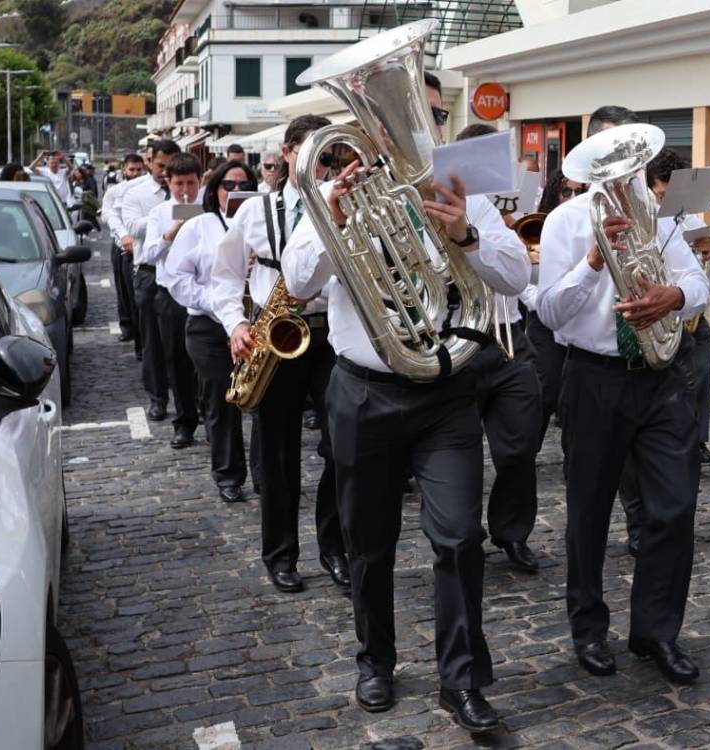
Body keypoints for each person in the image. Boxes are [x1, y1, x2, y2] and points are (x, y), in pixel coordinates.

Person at [282, 104, 529, 732]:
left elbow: (516, 275)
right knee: (369, 543)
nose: (398, 142)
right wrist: (333, 220)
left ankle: (463, 680)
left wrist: (466, 239)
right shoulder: (337, 199)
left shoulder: (459, 195)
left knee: (459, 538)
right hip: (363, 392)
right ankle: (377, 659)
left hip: (445, 392)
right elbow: (299, 281)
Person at [536, 105, 709, 686]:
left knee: (674, 508)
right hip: (594, 377)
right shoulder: (563, 221)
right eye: (607, 155)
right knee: (589, 512)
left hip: (660, 377)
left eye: (628, 157)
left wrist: (672, 297)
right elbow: (551, 313)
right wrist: (590, 262)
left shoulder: (657, 217)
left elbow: (697, 281)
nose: (619, 170)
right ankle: (588, 629)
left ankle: (656, 632)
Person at [211, 115, 349, 582]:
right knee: (277, 452)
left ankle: (335, 547)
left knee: (342, 447)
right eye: (313, 155)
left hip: (333, 334)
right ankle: (281, 556)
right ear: (288, 153)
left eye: (330, 158)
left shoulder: (344, 204)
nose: (324, 167)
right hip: (276, 336)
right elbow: (225, 276)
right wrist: (235, 325)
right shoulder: (254, 211)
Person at [442, 108, 544, 574]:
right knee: (456, 454)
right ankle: (463, 534)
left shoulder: (505, 208)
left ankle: (512, 531)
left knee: (519, 448)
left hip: (510, 338)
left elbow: (521, 275)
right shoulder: (445, 203)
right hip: (459, 343)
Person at [162, 161, 258, 503]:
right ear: (215, 189)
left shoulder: (261, 222)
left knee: (263, 397)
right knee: (222, 398)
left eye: (244, 185)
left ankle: (264, 472)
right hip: (208, 327)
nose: (236, 192)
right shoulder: (199, 225)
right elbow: (173, 277)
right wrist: (218, 304)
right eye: (228, 186)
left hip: (256, 324)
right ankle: (229, 475)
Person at [648, 148, 710, 465]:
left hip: (693, 321)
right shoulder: (647, 222)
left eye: (671, 194)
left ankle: (697, 441)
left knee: (703, 376)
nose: (665, 201)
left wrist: (709, 255)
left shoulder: (693, 223)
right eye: (660, 194)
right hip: (660, 318)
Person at [136, 151, 204, 450]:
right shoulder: (160, 213)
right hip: (171, 295)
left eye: (191, 183)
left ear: (200, 181)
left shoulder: (208, 207)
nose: (186, 190)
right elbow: (148, 254)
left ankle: (211, 417)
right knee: (176, 361)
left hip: (203, 293)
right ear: (169, 183)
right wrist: (172, 231)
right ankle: (185, 422)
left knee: (206, 364)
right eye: (179, 184)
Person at [121, 139, 184, 425]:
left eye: (169, 167)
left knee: (183, 342)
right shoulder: (137, 192)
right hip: (148, 271)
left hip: (182, 272)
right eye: (160, 166)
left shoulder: (187, 192)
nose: (164, 172)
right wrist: (167, 217)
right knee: (152, 341)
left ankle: (188, 400)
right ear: (150, 162)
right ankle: (157, 398)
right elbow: (132, 226)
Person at [526, 169, 584, 436]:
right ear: (554, 193)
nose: (572, 197)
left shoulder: (585, 222)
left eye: (579, 191)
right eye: (566, 191)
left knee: (573, 396)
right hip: (543, 319)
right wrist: (539, 300)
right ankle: (527, 448)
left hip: (575, 320)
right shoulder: (541, 224)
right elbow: (522, 280)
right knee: (545, 389)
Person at [102, 154, 148, 348]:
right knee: (124, 290)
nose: (136, 174)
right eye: (132, 170)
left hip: (143, 246)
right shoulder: (115, 191)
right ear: (124, 170)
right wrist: (122, 235)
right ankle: (127, 326)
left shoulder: (147, 190)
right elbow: (107, 214)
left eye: (139, 170)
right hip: (122, 245)